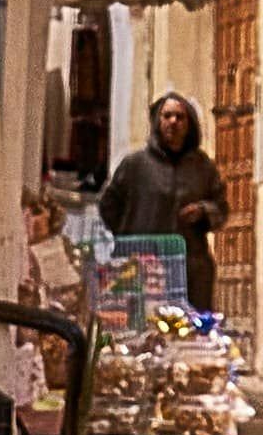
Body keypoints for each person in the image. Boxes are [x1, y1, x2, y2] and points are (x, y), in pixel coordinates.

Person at [95, 85, 228, 320]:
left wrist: (203, 211)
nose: (173, 122)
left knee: (189, 329)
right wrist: (131, 235)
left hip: (190, 270)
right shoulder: (135, 165)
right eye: (167, 116)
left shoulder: (203, 167)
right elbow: (109, 206)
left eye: (180, 117)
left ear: (189, 124)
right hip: (142, 268)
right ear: (158, 121)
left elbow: (221, 209)